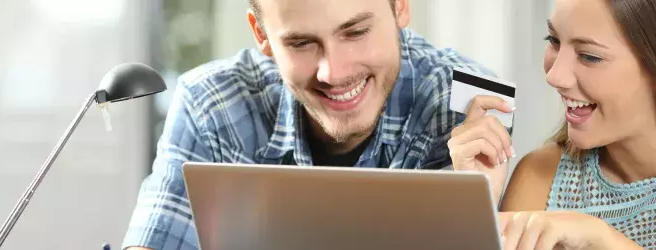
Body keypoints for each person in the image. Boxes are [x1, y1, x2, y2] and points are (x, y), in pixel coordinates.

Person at [122, 0, 494, 249]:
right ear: (262, 36)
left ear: (399, 6)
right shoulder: (210, 104)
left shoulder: (470, 101)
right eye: (301, 43)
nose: (334, 72)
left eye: (356, 32)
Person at [449, 0, 656, 249]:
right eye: (554, 40)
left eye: (589, 56)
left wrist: (602, 237)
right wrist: (477, 208)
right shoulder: (539, 177)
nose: (554, 76)